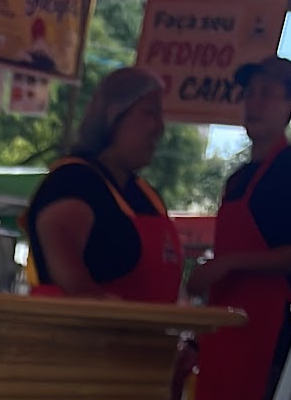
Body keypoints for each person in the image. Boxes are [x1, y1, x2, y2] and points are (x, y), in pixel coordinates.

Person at [190, 56, 291, 400]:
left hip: (264, 338)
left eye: (266, 94)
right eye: (249, 93)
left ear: (289, 104)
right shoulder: (238, 179)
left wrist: (232, 263)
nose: (253, 103)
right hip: (222, 338)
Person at [26, 68, 182, 301]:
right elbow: (73, 283)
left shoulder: (146, 194)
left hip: (144, 326)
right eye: (150, 112)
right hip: (83, 325)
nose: (159, 127)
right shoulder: (73, 182)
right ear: (114, 114)